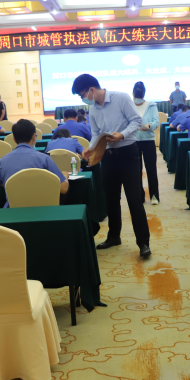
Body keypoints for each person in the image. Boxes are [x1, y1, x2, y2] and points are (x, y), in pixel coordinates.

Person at [72, 73, 150, 258]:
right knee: (111, 199)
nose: (83, 99)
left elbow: (136, 121)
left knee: (134, 200)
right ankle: (114, 236)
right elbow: (96, 133)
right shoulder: (93, 109)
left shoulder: (120, 98)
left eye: (82, 95)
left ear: (91, 90)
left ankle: (143, 243)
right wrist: (90, 148)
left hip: (128, 154)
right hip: (107, 156)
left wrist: (122, 135)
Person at [0, 119, 68, 208]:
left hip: (13, 211)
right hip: (43, 210)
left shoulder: (2, 161)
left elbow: (3, 183)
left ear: (14, 139)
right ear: (34, 137)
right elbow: (63, 188)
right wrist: (65, 176)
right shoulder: (44, 159)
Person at [132, 81, 161, 205]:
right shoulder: (130, 105)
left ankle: (154, 196)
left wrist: (149, 125)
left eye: (140, 95)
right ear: (133, 94)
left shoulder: (151, 105)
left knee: (151, 169)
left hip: (148, 140)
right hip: (134, 141)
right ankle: (140, 196)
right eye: (136, 95)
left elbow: (156, 122)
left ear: (143, 94)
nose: (138, 98)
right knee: (136, 171)